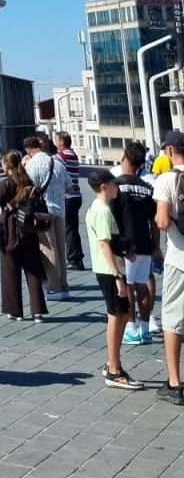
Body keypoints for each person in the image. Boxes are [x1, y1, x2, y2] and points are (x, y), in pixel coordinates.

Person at [85, 168, 143, 391]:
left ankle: (113, 362)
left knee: (121, 314)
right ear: (104, 187)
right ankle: (114, 370)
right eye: (114, 184)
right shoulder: (101, 210)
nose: (117, 187)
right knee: (116, 315)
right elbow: (104, 244)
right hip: (109, 270)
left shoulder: (100, 208)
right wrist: (118, 276)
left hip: (109, 268)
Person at [0, 150, 48, 322]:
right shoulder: (28, 182)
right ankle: (37, 311)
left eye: (2, 163)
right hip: (28, 230)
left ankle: (15, 311)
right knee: (33, 270)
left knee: (10, 270)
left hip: (10, 232)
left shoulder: (6, 184)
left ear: (7, 165)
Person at [113, 141, 158, 347]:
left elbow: (112, 217)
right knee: (142, 284)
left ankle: (131, 328)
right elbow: (154, 220)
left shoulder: (117, 186)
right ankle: (146, 328)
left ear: (125, 159)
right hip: (144, 242)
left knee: (128, 284)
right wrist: (156, 245)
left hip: (125, 243)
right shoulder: (147, 188)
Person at [152, 129, 184, 407]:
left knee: (173, 320)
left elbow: (161, 222)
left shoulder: (167, 179)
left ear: (170, 151)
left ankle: (175, 382)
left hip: (180, 259)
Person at [23, 135, 69, 298]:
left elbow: (26, 189)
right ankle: (63, 285)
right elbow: (69, 187)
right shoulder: (57, 163)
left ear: (28, 150)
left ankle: (53, 286)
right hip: (60, 210)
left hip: (43, 211)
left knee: (49, 248)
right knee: (61, 248)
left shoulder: (31, 165)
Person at [55, 130, 85, 270]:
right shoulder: (73, 154)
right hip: (77, 195)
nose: (55, 142)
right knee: (73, 228)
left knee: (68, 229)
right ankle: (77, 257)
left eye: (56, 140)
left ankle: (73, 259)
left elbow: (52, 167)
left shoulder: (61, 156)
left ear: (61, 142)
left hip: (68, 195)